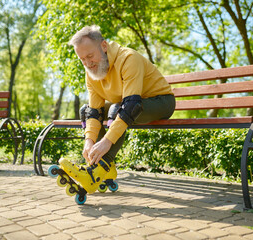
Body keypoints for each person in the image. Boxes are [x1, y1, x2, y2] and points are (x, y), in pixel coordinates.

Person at [59, 25, 175, 194]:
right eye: (82, 59)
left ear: (104, 46)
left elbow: (131, 106)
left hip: (160, 102)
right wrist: (89, 141)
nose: (87, 63)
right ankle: (104, 168)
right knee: (86, 110)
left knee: (118, 108)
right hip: (129, 104)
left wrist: (106, 142)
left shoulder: (128, 58)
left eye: (90, 56)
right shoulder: (90, 73)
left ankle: (97, 171)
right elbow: (94, 111)